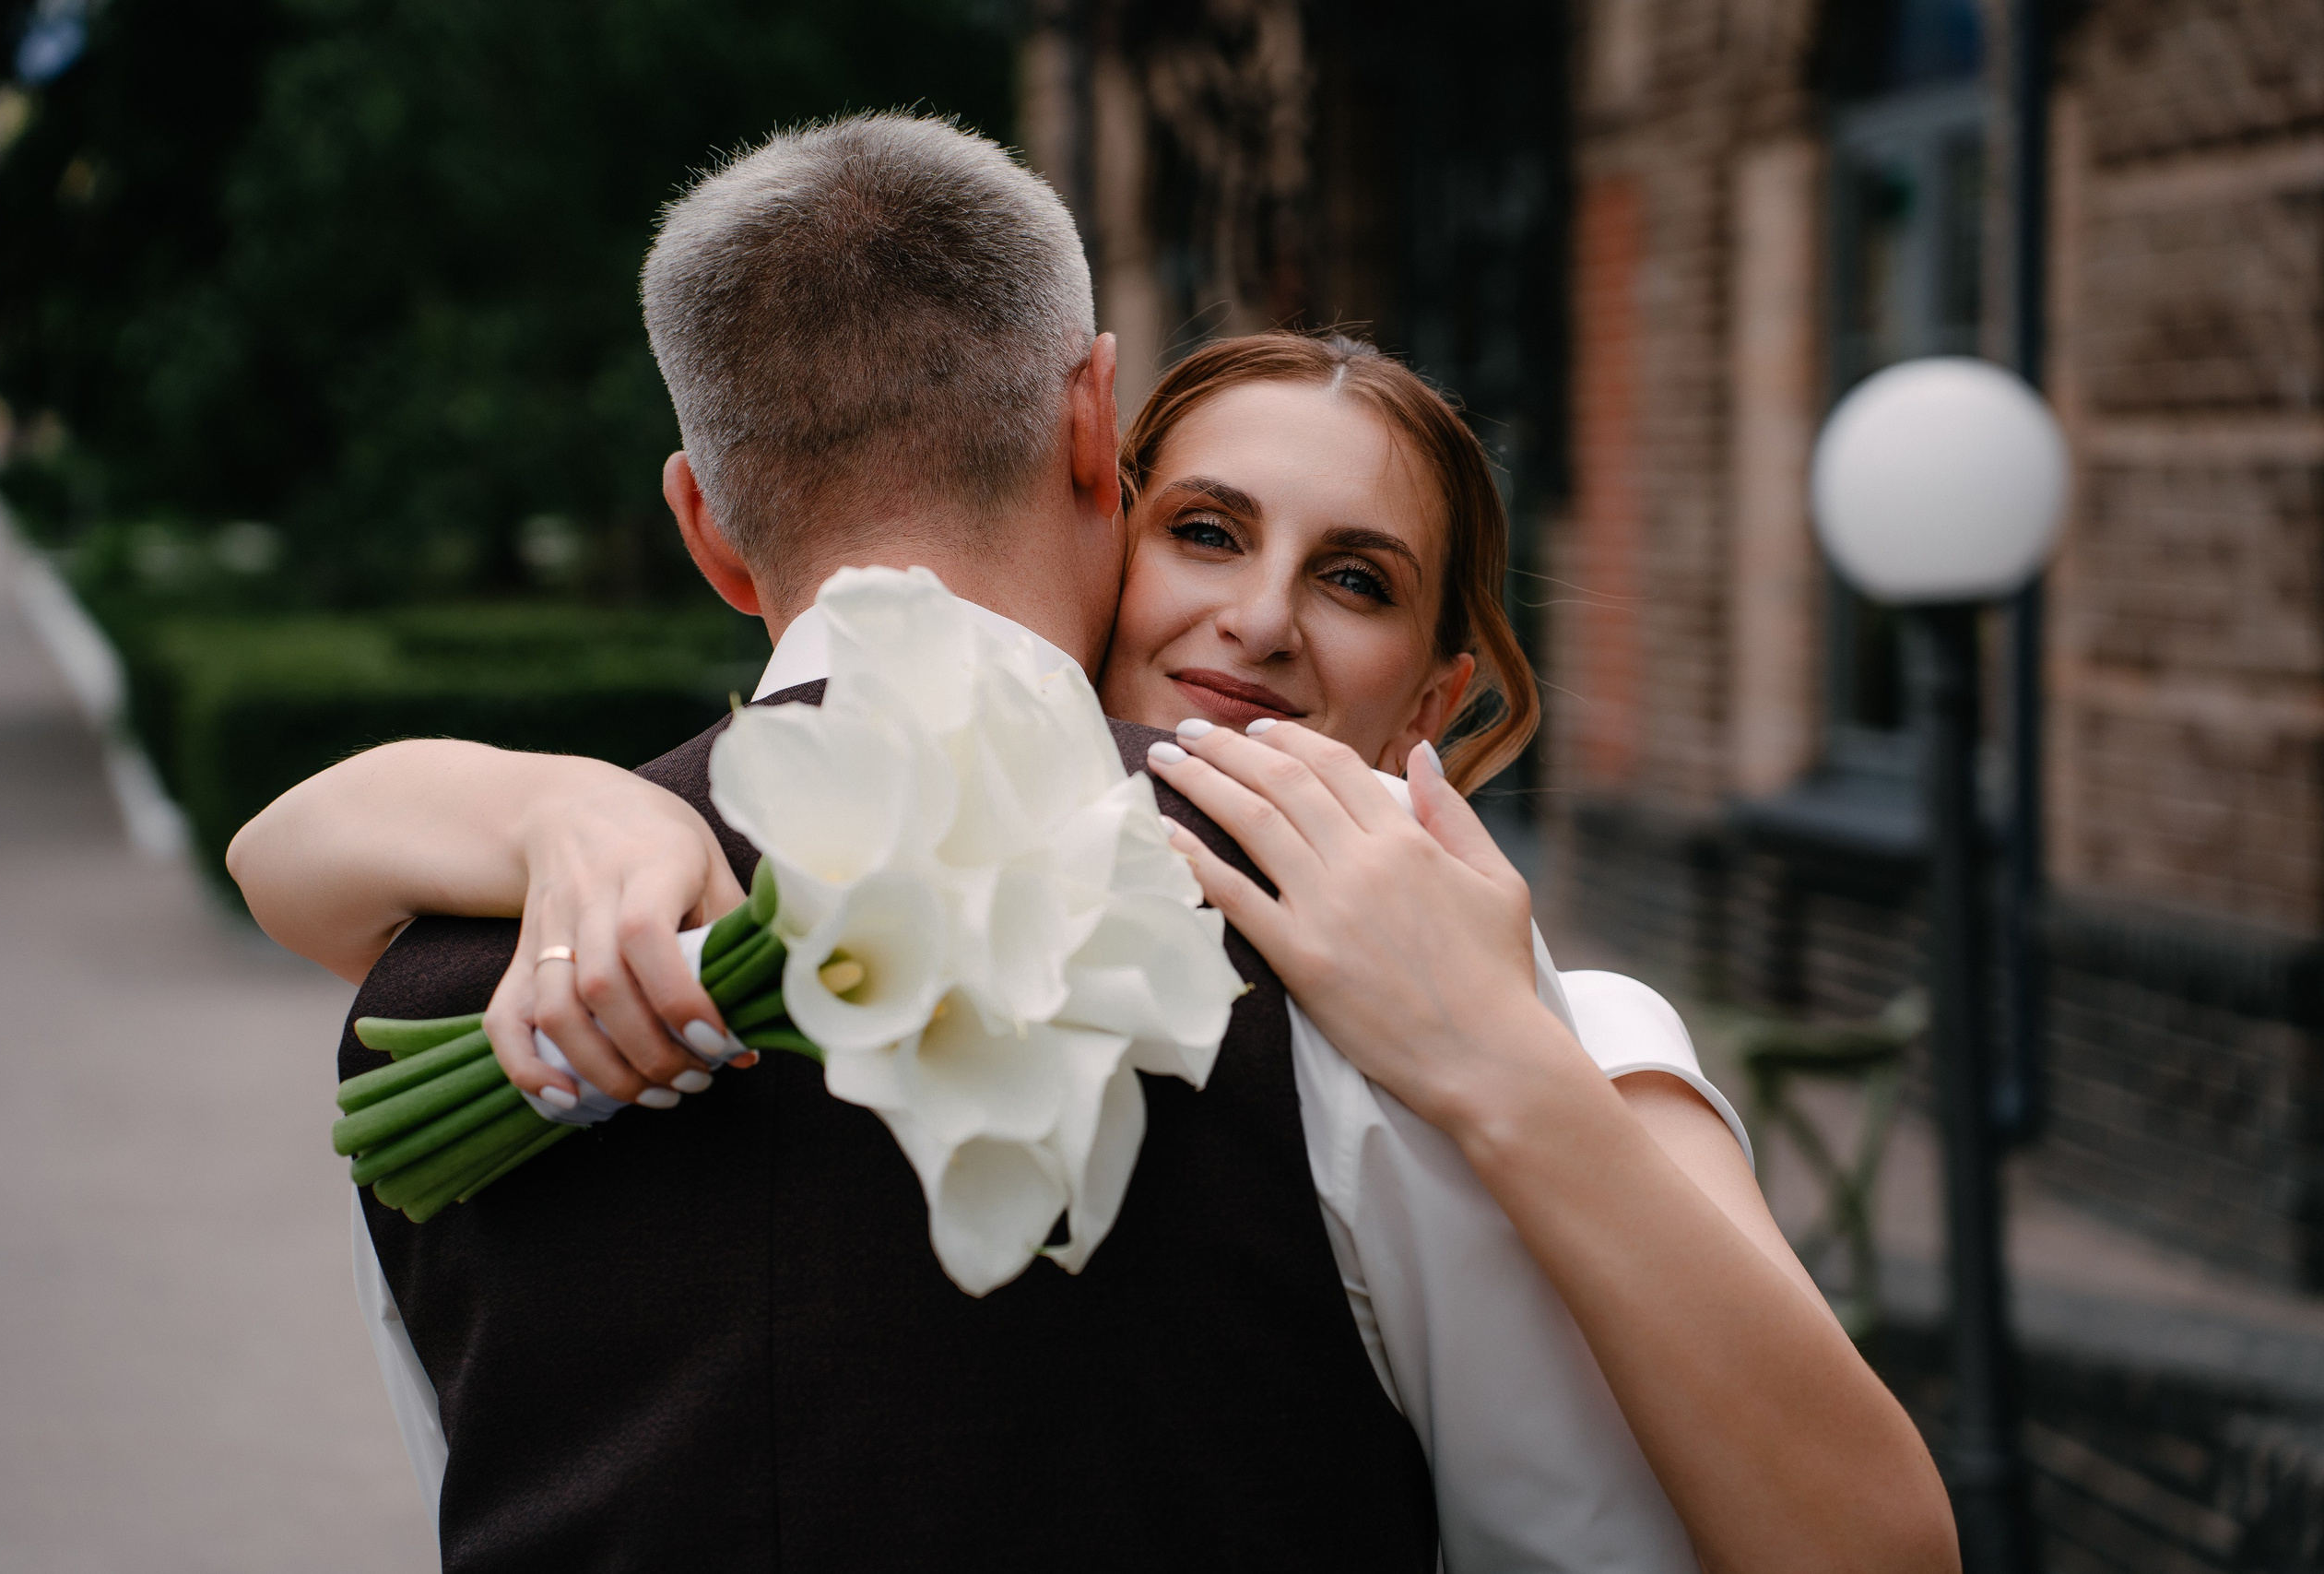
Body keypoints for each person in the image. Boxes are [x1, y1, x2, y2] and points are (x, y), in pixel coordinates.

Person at [231, 115, 1954, 1572]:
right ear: (1094, 449)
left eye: (1357, 579)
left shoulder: (447, 992)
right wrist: (547, 797)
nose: (1257, 625)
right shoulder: (1313, 1019)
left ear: (705, 523)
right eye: (1205, 528)